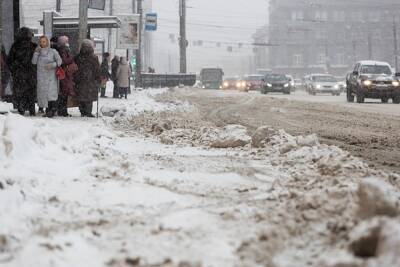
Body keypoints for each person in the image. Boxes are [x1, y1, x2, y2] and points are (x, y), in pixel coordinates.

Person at [7, 27, 37, 115]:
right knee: (31, 91)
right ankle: (31, 109)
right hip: (31, 73)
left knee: (20, 91)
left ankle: (21, 108)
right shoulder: (33, 46)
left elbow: (9, 60)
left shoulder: (15, 46)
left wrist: (14, 70)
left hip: (19, 73)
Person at [32, 36, 62, 118]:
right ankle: (48, 110)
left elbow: (59, 61)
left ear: (47, 42)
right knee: (43, 95)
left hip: (51, 77)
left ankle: (52, 110)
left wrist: (52, 65)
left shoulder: (53, 51)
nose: (42, 43)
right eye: (41, 42)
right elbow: (34, 62)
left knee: (51, 94)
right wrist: (36, 52)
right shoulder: (38, 52)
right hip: (41, 77)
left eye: (44, 41)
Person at [74, 39, 101, 117]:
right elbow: (97, 69)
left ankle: (82, 111)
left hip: (80, 79)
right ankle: (88, 112)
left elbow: (75, 68)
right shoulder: (94, 57)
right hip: (90, 80)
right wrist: (98, 79)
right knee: (89, 97)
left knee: (81, 96)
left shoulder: (78, 57)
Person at [57, 36, 78, 117]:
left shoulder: (61, 49)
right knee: (64, 93)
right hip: (64, 73)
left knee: (64, 92)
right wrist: (72, 60)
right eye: (67, 41)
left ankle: (62, 110)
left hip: (64, 73)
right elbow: (64, 60)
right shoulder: (64, 49)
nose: (68, 42)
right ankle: (63, 111)